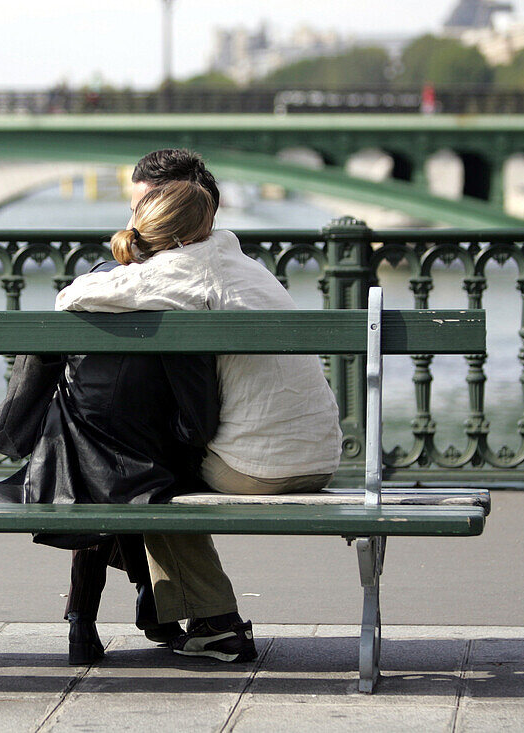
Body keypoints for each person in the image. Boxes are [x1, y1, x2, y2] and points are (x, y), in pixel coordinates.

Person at [55, 149, 342, 663]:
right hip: (319, 458)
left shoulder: (184, 270)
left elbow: (72, 297)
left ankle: (214, 622)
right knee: (160, 459)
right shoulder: (240, 262)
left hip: (260, 468)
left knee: (151, 477)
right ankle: (164, 607)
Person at [0, 181, 222, 665]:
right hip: (145, 465)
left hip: (68, 456)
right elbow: (197, 420)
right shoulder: (187, 294)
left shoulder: (92, 283)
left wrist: (12, 432)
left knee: (96, 469)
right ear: (196, 235)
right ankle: (151, 602)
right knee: (129, 474)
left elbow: (38, 368)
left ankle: (83, 622)